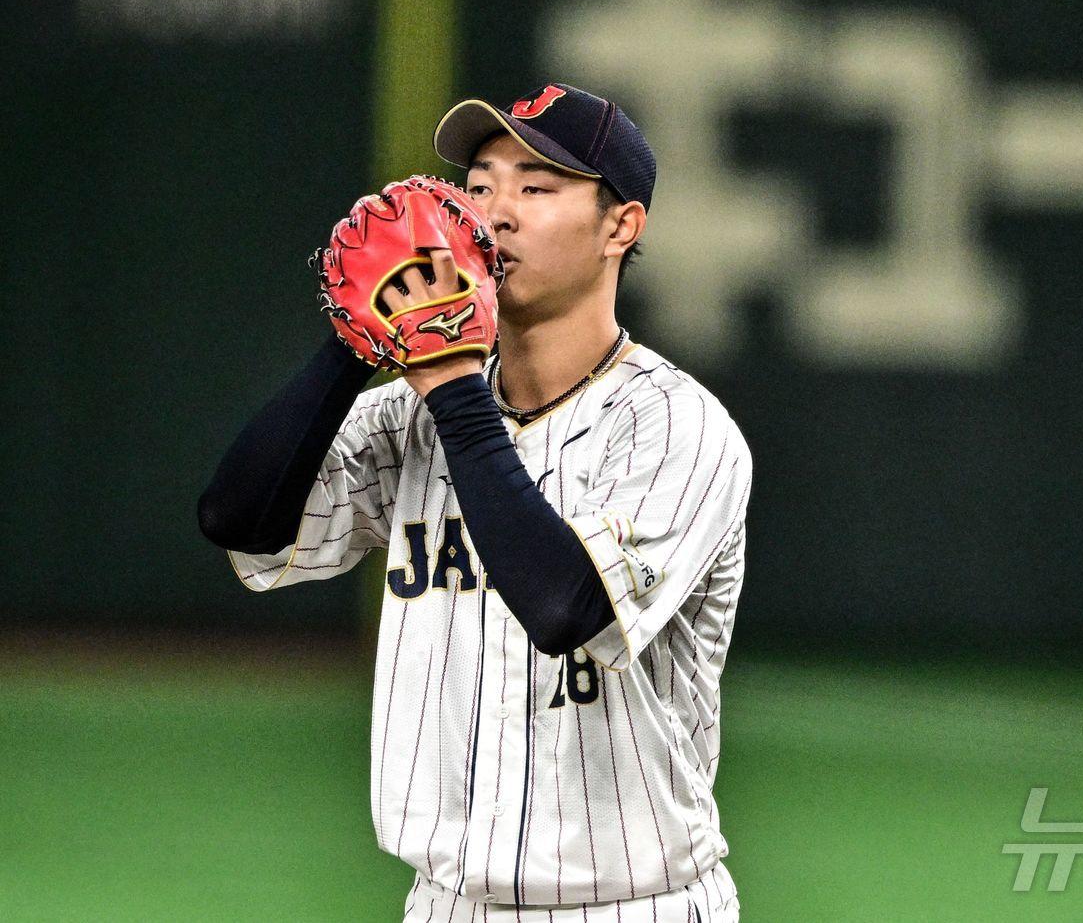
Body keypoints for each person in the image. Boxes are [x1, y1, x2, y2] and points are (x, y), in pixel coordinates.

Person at [197, 83, 752, 921]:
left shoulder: (678, 428)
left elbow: (567, 604)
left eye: (537, 187)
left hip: (638, 903)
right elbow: (239, 520)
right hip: (446, 905)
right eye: (481, 183)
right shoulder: (415, 414)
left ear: (621, 227)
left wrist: (450, 379)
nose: (496, 212)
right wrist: (354, 342)